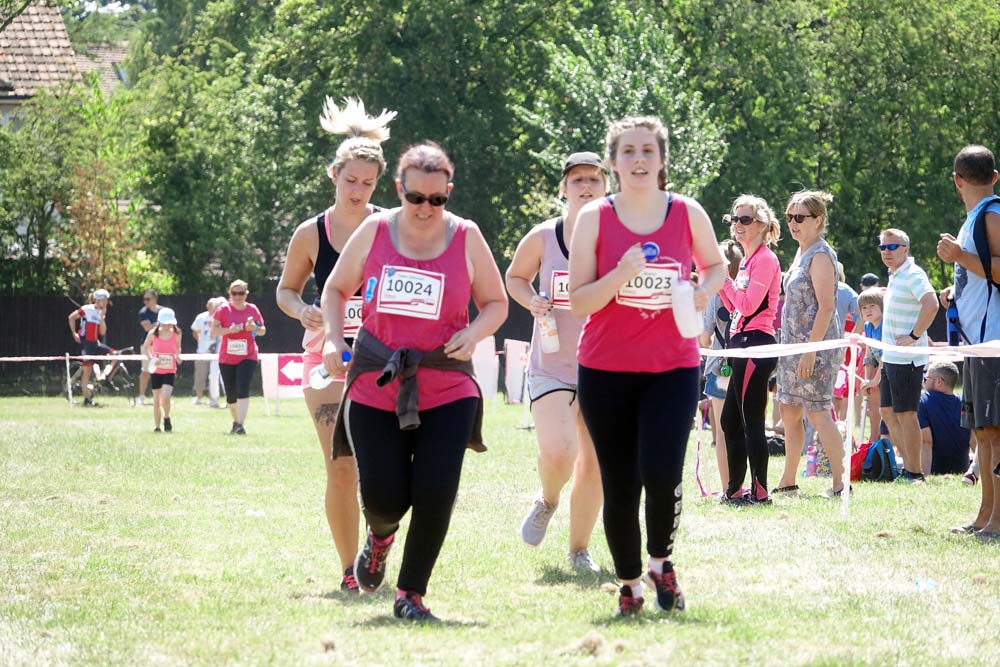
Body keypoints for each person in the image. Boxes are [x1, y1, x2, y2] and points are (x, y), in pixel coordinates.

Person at [321, 141, 508, 621]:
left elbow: (496, 303)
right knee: (384, 495)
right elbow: (336, 289)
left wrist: (474, 331)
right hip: (375, 379)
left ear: (449, 192)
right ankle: (379, 537)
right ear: (399, 189)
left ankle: (411, 594)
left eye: (437, 199)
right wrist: (330, 339)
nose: (426, 209)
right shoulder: (374, 230)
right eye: (416, 197)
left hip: (447, 383)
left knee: (435, 489)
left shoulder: (466, 236)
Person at [568, 116, 725, 617]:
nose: (639, 160)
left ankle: (661, 561)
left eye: (648, 152)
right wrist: (621, 274)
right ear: (613, 162)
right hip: (606, 370)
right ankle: (631, 582)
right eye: (628, 152)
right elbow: (579, 303)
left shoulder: (687, 212)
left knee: (661, 474)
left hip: (672, 367)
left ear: (662, 160)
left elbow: (717, 265)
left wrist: (703, 288)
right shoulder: (594, 217)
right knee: (619, 483)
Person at [276, 96, 396, 593]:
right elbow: (285, 290)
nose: (358, 191)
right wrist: (302, 309)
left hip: (385, 356)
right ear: (333, 175)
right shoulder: (311, 233)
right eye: (351, 181)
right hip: (325, 359)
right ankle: (350, 570)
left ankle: (379, 542)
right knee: (341, 468)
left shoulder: (391, 226)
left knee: (386, 469)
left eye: (368, 184)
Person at [505, 151, 606, 572]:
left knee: (595, 465)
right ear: (563, 188)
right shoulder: (544, 237)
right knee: (559, 450)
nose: (585, 186)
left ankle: (579, 550)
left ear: (606, 187)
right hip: (551, 363)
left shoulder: (615, 239)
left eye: (594, 180)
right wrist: (531, 300)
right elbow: (514, 277)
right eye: (577, 179)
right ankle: (547, 499)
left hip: (604, 365)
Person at [937, 144, 1000, 537]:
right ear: (994, 176)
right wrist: (955, 291)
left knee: (994, 432)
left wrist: (960, 258)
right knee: (982, 433)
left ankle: (997, 521)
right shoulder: (975, 217)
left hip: (994, 341)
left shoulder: (992, 214)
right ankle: (984, 517)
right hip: (976, 341)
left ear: (957, 181)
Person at [772, 191, 847, 497]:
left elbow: (827, 307)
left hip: (815, 348)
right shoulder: (802, 251)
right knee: (788, 410)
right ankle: (788, 480)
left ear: (818, 220)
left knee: (817, 413)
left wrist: (810, 352)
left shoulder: (820, 255)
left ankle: (841, 484)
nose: (793, 223)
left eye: (799, 218)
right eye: (789, 216)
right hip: (792, 346)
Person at [717, 195, 782, 505]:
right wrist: (722, 283)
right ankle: (734, 488)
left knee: (751, 419)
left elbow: (748, 305)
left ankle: (760, 492)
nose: (738, 225)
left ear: (762, 225)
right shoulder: (747, 261)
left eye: (745, 219)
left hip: (756, 344)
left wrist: (724, 280)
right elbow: (735, 308)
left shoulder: (766, 260)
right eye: (734, 219)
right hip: (740, 342)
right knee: (730, 420)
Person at [878, 228, 939, 480]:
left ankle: (914, 472)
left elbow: (932, 303)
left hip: (907, 358)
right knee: (887, 412)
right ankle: (908, 466)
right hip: (890, 357)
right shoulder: (895, 275)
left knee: (906, 414)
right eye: (883, 247)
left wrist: (914, 335)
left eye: (893, 247)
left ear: (906, 249)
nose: (887, 252)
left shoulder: (913, 273)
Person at [700, 240, 743, 492]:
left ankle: (728, 486)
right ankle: (744, 483)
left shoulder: (713, 295)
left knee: (722, 432)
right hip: (747, 362)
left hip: (719, 365)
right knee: (745, 426)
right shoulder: (745, 289)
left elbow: (704, 338)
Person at [212, 280, 266, 435]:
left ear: (246, 294)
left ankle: (240, 425)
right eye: (234, 293)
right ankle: (236, 422)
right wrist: (229, 330)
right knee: (231, 395)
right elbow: (214, 331)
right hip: (227, 358)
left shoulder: (252, 309)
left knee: (243, 387)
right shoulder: (223, 310)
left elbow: (262, 331)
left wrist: (254, 328)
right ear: (230, 294)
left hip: (248, 356)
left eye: (241, 293)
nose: (237, 296)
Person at [918, 361, 972, 475]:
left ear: (939, 381)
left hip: (934, 469)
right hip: (962, 468)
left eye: (926, 378)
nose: (924, 381)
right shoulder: (965, 403)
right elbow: (974, 442)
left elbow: (926, 442)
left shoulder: (922, 402)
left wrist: (925, 475)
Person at [67, 288, 112, 407]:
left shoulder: (102, 311)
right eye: (105, 299)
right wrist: (74, 333)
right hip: (86, 343)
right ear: (98, 300)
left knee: (115, 354)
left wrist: (102, 319)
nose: (107, 301)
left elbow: (102, 332)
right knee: (87, 372)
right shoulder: (87, 309)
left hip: (95, 343)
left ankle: (103, 376)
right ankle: (86, 399)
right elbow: (71, 317)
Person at [142, 307, 182, 432]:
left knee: (166, 397)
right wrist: (152, 359)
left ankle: (167, 416)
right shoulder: (153, 334)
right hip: (156, 370)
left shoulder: (177, 333)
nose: (167, 326)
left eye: (169, 323)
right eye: (165, 323)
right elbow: (146, 346)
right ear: (160, 321)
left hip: (170, 370)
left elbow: (178, 348)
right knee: (156, 400)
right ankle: (157, 426)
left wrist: (178, 356)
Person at [858, 287, 886, 443]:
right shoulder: (868, 327)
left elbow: (885, 356)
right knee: (873, 408)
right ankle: (874, 440)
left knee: (888, 411)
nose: (868, 310)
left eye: (872, 306)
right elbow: (869, 355)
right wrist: (867, 380)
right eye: (864, 308)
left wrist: (874, 380)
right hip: (879, 372)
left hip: (892, 371)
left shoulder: (885, 325)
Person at [190, 297, 224, 408]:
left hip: (221, 352)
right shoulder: (201, 317)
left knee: (218, 375)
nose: (215, 308)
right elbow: (195, 332)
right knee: (207, 375)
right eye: (214, 306)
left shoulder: (224, 317)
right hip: (204, 351)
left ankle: (226, 400)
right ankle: (209, 399)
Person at [137, 289, 162, 406]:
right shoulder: (143, 312)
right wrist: (160, 325)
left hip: (162, 345)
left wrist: (157, 325)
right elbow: (148, 329)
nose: (145, 301)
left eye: (148, 299)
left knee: (162, 371)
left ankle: (160, 397)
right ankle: (141, 396)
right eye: (144, 299)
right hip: (147, 345)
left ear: (155, 299)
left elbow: (168, 326)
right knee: (146, 371)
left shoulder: (162, 311)